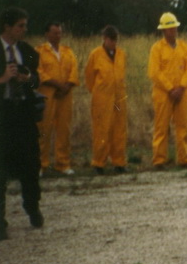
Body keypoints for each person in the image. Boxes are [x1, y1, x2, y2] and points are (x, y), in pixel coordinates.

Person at [0, 7, 44, 240]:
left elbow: (37, 80)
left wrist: (29, 80)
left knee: (30, 166)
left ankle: (32, 207)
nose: (24, 30)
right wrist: (1, 79)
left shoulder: (27, 51)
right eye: (20, 26)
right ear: (7, 26)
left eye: (25, 25)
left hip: (22, 117)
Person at [148, 12, 187, 168]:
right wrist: (170, 89)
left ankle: (183, 159)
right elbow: (154, 72)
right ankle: (159, 160)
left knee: (182, 126)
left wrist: (181, 87)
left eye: (174, 27)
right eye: (169, 28)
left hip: (182, 93)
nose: (173, 30)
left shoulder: (184, 47)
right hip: (163, 94)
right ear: (163, 30)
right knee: (161, 127)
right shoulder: (157, 49)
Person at [84, 25, 128, 174]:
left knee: (119, 130)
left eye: (115, 40)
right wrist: (98, 93)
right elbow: (89, 77)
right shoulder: (95, 54)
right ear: (104, 39)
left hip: (119, 98)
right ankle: (99, 163)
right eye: (111, 40)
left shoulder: (121, 54)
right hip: (102, 99)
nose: (113, 43)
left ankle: (119, 162)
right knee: (101, 131)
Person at [35, 21, 78, 175]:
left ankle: (63, 163)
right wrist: (58, 85)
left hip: (65, 96)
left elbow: (74, 71)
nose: (57, 36)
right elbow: (40, 73)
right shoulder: (39, 51)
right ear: (47, 34)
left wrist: (67, 86)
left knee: (63, 129)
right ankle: (41, 164)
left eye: (59, 33)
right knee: (44, 129)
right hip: (47, 95)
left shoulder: (67, 51)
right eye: (54, 33)